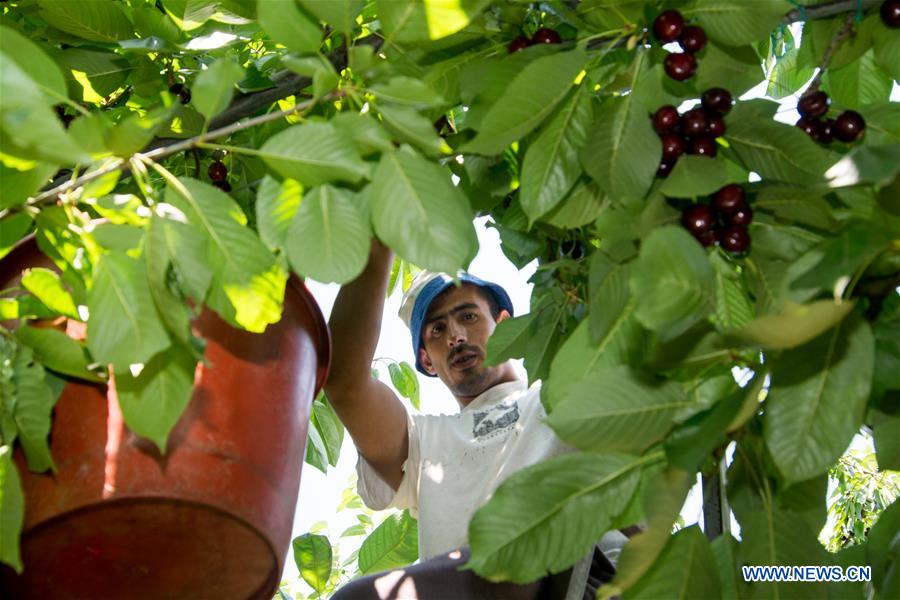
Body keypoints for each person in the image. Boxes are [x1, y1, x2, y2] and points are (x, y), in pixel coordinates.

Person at [326, 239, 625, 600]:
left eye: (468, 316)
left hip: (580, 581)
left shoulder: (562, 394)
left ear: (503, 324)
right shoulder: (424, 443)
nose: (455, 336)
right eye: (437, 330)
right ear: (427, 361)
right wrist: (378, 238)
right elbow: (344, 381)